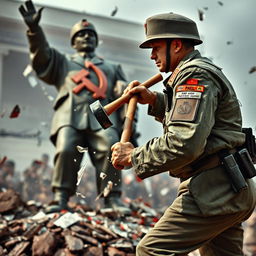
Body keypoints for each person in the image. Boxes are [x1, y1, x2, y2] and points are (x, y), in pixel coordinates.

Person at [111, 12, 256, 255]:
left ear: (176, 45)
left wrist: (134, 156)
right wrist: (154, 101)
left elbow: (184, 142)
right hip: (229, 188)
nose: (151, 55)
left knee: (150, 251)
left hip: (214, 190)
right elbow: (200, 119)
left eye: (156, 47)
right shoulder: (194, 74)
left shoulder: (194, 75)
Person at [19, 0, 132, 213]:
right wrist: (34, 30)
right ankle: (61, 197)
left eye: (90, 34)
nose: (86, 37)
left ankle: (111, 198)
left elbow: (126, 97)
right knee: (65, 150)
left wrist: (122, 89)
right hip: (69, 114)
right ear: (73, 42)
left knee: (111, 147)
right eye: (80, 34)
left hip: (102, 115)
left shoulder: (112, 67)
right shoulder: (62, 62)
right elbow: (41, 58)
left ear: (97, 41)